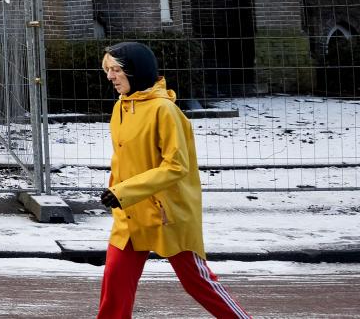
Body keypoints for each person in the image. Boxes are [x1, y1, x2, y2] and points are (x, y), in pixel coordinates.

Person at [96, 41, 252, 319]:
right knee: (115, 283)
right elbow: (123, 156)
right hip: (131, 214)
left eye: (116, 69)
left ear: (136, 71)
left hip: (167, 214)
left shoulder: (164, 111)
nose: (110, 76)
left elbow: (176, 166)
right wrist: (114, 188)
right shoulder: (120, 107)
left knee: (198, 283)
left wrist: (124, 191)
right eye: (108, 69)